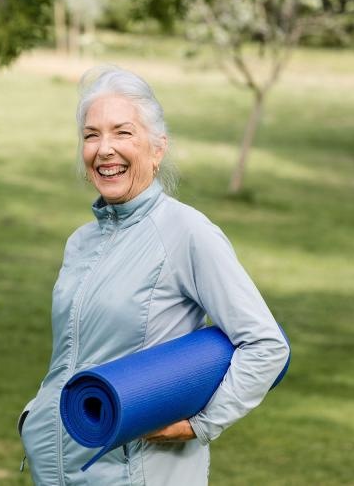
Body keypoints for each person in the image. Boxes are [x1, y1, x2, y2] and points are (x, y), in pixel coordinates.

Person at [18, 66, 290, 485]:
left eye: (122, 133)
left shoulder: (188, 233)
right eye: (91, 135)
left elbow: (266, 345)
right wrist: (36, 415)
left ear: (157, 149)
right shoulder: (80, 242)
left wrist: (201, 424)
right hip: (56, 471)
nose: (104, 149)